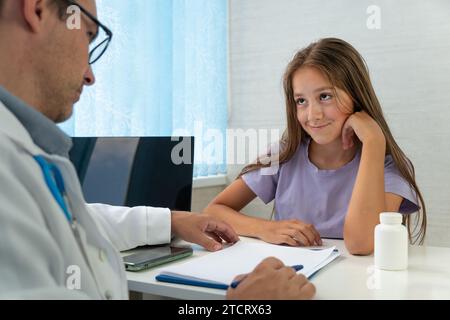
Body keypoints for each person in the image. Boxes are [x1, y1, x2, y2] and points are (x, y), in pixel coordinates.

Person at [0, 0, 315, 300]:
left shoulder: (25, 153)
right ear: (37, 9)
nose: (90, 75)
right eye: (88, 35)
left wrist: (172, 221)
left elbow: (75, 219)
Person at [204, 38, 427, 255]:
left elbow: (361, 244)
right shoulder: (283, 155)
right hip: (292, 280)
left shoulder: (388, 167)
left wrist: (374, 141)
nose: (313, 115)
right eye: (301, 101)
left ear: (356, 96)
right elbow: (214, 211)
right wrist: (266, 228)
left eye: (325, 96)